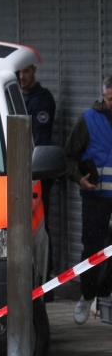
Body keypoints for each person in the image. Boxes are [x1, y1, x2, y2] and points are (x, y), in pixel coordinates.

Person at [64, 76, 112, 324]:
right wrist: (79, 178)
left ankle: (104, 293)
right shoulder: (88, 120)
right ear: (103, 96)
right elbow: (68, 157)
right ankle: (87, 295)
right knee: (93, 249)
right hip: (96, 197)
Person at [20, 64, 58, 291]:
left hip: (36, 173)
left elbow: (40, 141)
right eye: (19, 73)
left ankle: (45, 282)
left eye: (26, 72)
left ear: (34, 71)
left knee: (40, 226)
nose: (22, 77)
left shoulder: (41, 100)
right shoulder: (18, 95)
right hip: (19, 171)